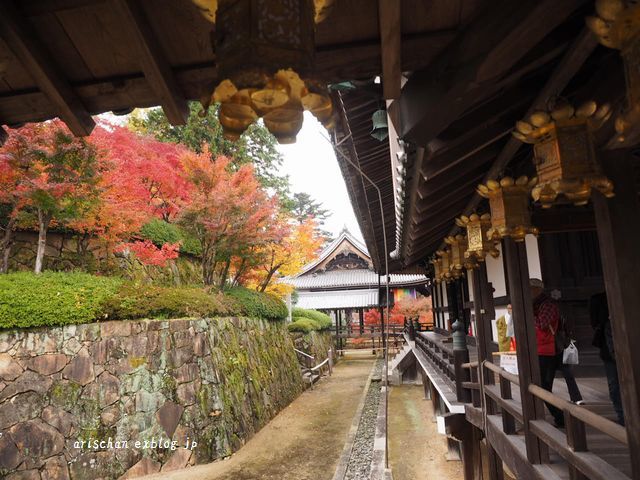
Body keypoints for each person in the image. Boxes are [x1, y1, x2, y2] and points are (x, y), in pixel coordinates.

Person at [530, 278, 565, 427]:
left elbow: (542, 324)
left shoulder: (548, 306)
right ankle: (558, 416)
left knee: (544, 387)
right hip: (537, 349)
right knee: (537, 385)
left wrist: (528, 315)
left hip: (548, 351)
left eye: (531, 289)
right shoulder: (535, 305)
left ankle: (561, 416)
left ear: (538, 290)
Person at [590, 291, 624, 425]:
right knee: (614, 385)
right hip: (609, 351)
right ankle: (622, 416)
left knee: (615, 384)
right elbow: (595, 324)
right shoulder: (599, 301)